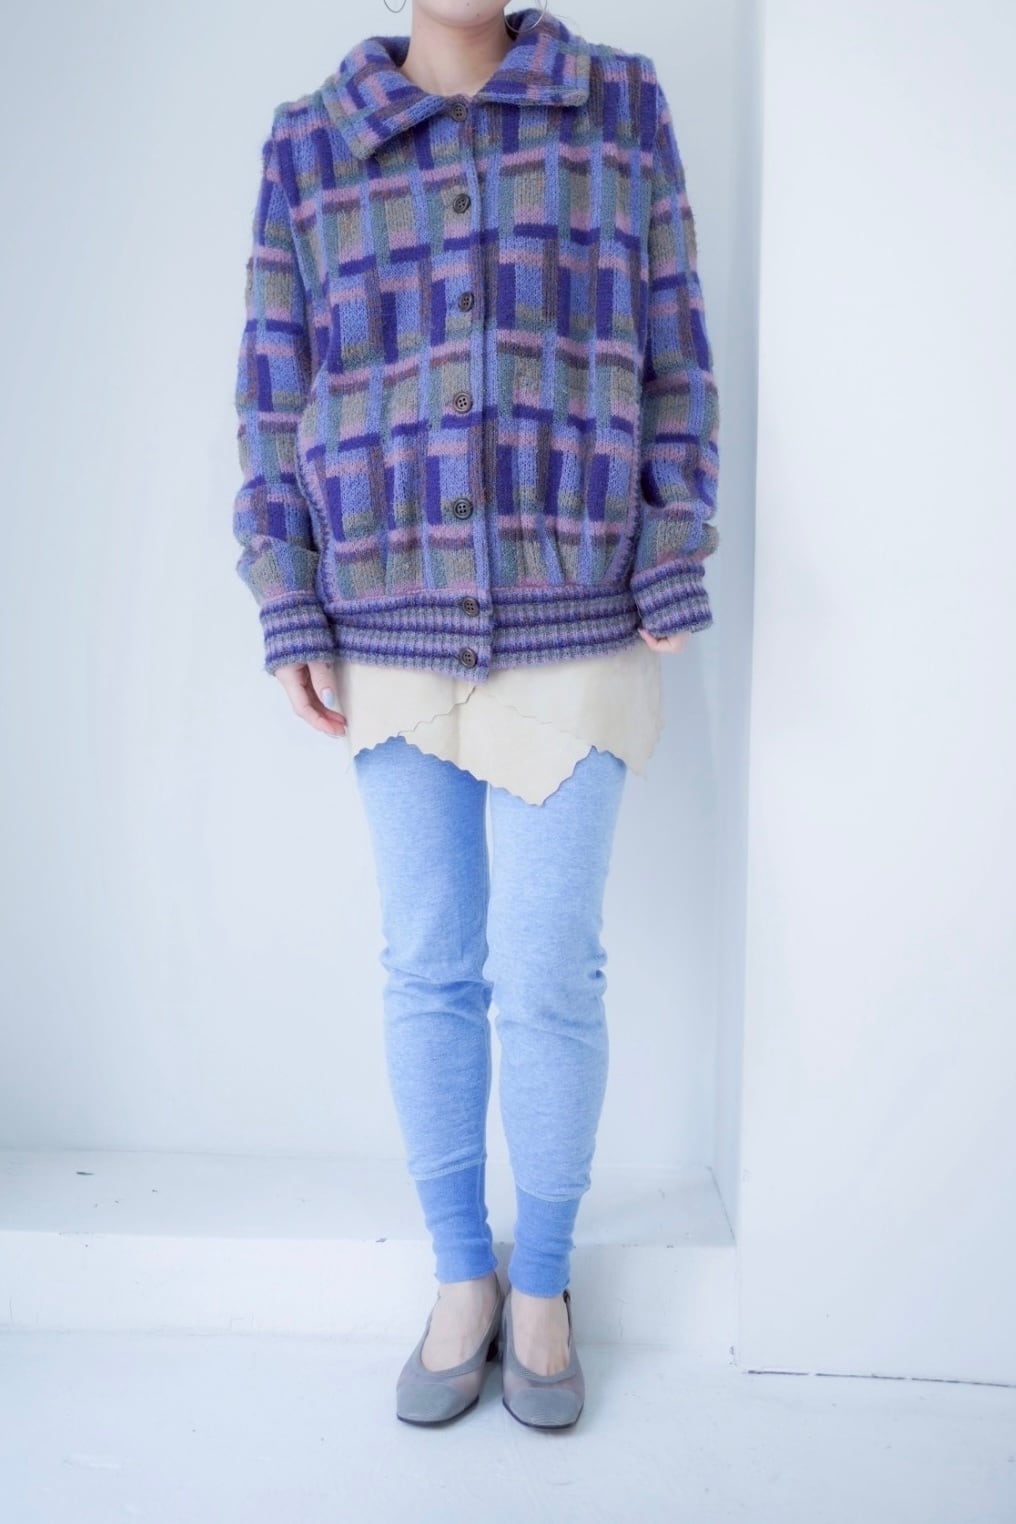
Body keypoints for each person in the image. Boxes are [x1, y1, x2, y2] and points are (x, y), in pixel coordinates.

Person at [232, 0, 719, 1429]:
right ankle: (461, 1273)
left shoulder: (617, 105)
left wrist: (671, 541)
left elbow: (676, 350)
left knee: (549, 967)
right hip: (388, 617)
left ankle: (544, 1281)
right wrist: (285, 594)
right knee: (430, 962)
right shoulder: (312, 144)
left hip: (580, 610)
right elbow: (271, 391)